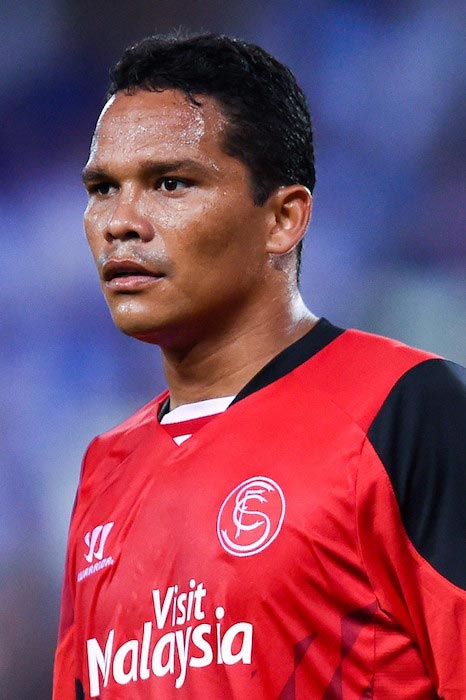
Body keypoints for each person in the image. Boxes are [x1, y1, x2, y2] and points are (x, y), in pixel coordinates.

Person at [53, 33, 466, 699]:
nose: (120, 222)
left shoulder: (406, 409)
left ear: (283, 219)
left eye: (170, 182)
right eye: (103, 188)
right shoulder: (104, 469)